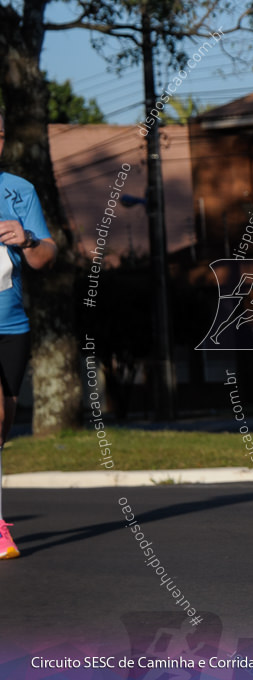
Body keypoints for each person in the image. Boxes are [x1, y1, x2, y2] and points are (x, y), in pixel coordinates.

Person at [0, 108, 59, 559]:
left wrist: (28, 240)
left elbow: (45, 258)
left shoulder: (19, 191)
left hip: (10, 323)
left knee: (2, 423)